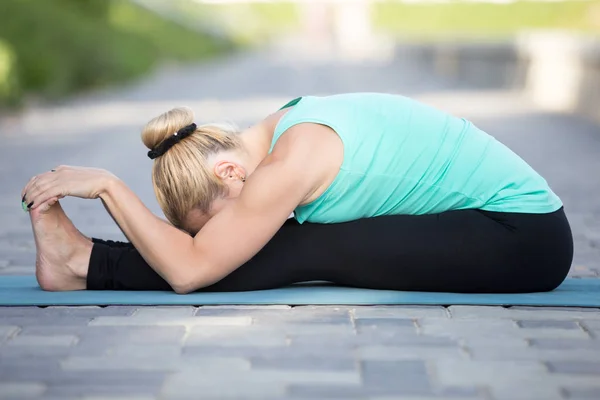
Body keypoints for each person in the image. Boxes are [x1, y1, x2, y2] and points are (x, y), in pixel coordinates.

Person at [22, 93, 573, 294]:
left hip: (521, 236)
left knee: (299, 248)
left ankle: (81, 263)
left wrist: (111, 186)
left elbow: (189, 273)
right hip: (496, 224)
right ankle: (81, 263)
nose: (221, 234)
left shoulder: (288, 162)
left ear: (230, 175)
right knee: (284, 239)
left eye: (212, 223)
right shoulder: (280, 126)